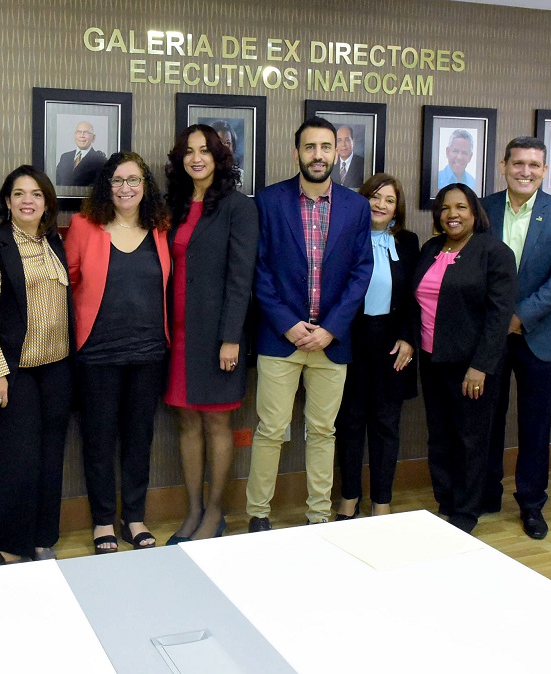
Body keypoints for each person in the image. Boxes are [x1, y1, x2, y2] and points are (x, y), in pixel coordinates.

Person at [246, 117, 373, 530]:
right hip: (281, 339)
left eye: (325, 147)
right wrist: (287, 324)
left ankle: (318, 515)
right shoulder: (268, 201)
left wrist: (331, 328)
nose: (318, 155)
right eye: (309, 147)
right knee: (270, 430)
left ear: (337, 152)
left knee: (322, 431)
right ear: (296, 152)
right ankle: (258, 515)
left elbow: (361, 272)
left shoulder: (356, 207)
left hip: (331, 342)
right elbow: (258, 271)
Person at [67, 152, 171, 553]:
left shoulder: (159, 228)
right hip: (98, 353)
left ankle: (134, 517)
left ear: (145, 185)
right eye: (117, 181)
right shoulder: (83, 226)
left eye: (133, 180)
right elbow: (70, 284)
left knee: (138, 439)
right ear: (105, 187)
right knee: (98, 440)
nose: (125, 188)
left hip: (148, 353)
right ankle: (101, 522)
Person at [0, 166, 74, 563]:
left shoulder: (54, 243)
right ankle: (12, 545)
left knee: (51, 457)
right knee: (18, 460)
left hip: (58, 368)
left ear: (47, 201)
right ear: (7, 202)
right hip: (15, 372)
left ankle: (42, 537)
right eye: (18, 193)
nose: (27, 200)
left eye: (35, 193)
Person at [481, 136, 551, 539]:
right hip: (489, 335)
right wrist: (498, 321)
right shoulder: (484, 208)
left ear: (544, 170)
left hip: (539, 336)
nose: (525, 171)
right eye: (518, 163)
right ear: (503, 166)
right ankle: (485, 494)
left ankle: (531, 503)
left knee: (536, 425)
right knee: (487, 419)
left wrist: (519, 317)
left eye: (533, 165)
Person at [163, 126, 258, 544]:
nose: (196, 157)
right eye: (189, 151)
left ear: (219, 158)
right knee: (186, 422)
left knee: (217, 423)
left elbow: (241, 276)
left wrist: (231, 337)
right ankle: (194, 510)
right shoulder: (176, 206)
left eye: (204, 150)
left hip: (218, 336)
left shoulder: (239, 207)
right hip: (177, 335)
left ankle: (216, 512)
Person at [412, 184, 517, 533]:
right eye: (444, 208)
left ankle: (467, 508)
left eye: (460, 207)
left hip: (472, 365)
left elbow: (499, 316)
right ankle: (446, 498)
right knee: (439, 435)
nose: (451, 214)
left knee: (471, 438)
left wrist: (481, 366)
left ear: (475, 212)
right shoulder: (430, 249)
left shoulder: (494, 252)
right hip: (432, 358)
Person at [334, 174, 419, 520]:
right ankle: (349, 497)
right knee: (350, 422)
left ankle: (382, 500)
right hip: (351, 339)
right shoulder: (344, 238)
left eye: (389, 200)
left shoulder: (409, 242)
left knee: (386, 425)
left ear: (397, 210)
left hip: (392, 342)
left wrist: (409, 337)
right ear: (362, 200)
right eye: (375, 197)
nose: (381, 205)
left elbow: (418, 296)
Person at [55, 121, 107, 186]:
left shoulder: (100, 160)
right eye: (79, 132)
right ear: (75, 136)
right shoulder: (65, 157)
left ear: (93, 138)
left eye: (86, 133)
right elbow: (56, 183)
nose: (82, 136)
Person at [331, 124, 366, 188]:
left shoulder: (363, 164)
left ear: (353, 142)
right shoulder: (331, 164)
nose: (343, 145)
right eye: (339, 141)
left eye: (347, 140)